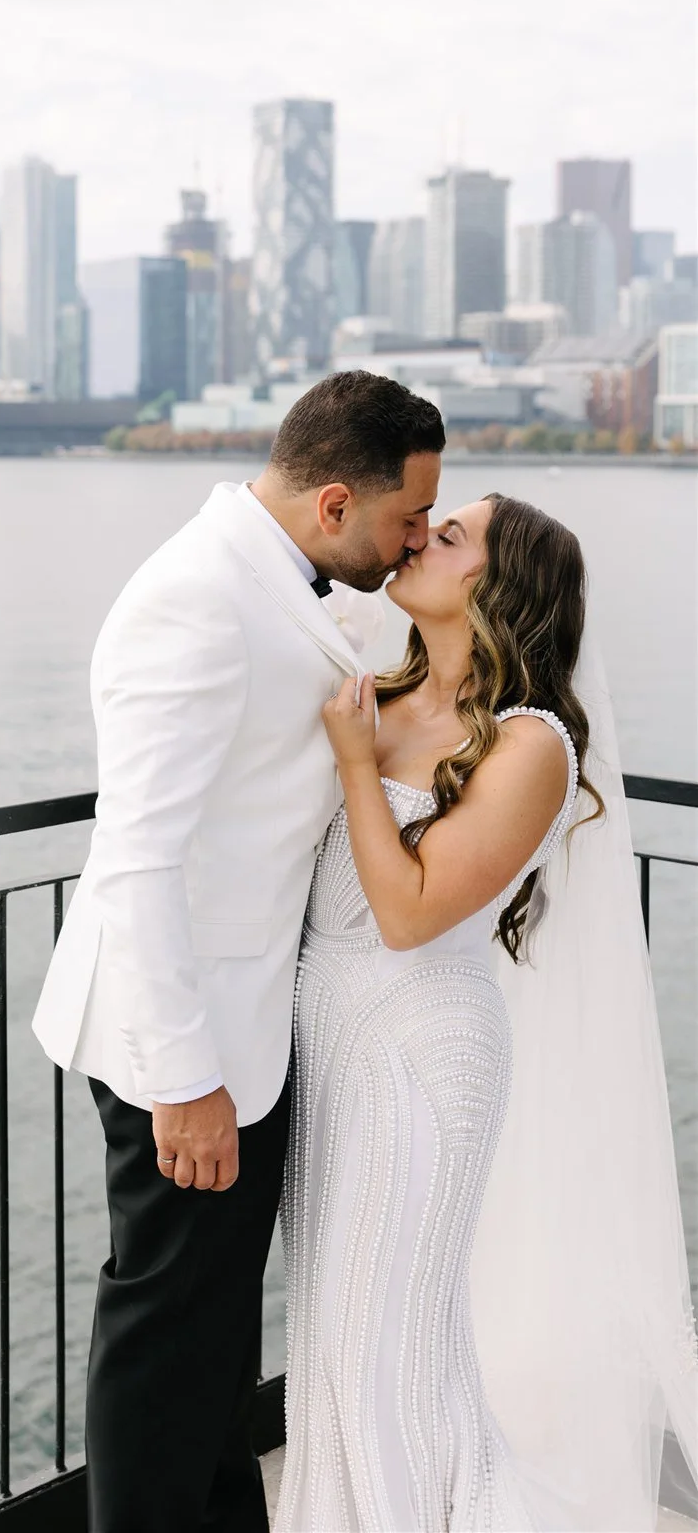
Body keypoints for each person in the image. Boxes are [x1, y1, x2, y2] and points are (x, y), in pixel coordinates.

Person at [32, 370, 446, 1531]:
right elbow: (137, 861)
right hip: (187, 1046)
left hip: (250, 1028)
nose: (413, 536)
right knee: (164, 1332)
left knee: (217, 1333)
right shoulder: (197, 598)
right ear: (330, 501)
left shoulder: (290, 581)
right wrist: (184, 1081)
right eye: (403, 516)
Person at [279, 493, 698, 1532]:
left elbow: (412, 913)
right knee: (333, 1336)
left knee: (393, 1345)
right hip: (328, 1038)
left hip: (422, 1057)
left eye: (451, 533)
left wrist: (351, 762)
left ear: (497, 587)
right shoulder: (378, 690)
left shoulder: (531, 744)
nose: (419, 535)